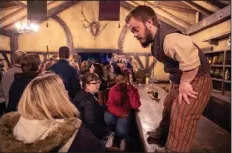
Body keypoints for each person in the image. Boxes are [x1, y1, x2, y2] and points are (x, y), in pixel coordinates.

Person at [125, 5, 212, 152]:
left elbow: (192, 61)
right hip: (182, 80)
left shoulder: (170, 38)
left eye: (135, 29)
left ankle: (174, 150)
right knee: (169, 106)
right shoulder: (156, 44)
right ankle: (163, 135)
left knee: (183, 113)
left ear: (149, 23)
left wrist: (184, 83)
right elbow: (175, 66)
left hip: (197, 78)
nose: (134, 34)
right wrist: (176, 84)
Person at [0, 72, 105, 152]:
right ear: (56, 99)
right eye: (63, 90)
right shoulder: (79, 138)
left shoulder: (11, 130)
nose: (67, 92)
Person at [73, 72, 114, 148]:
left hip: (83, 133)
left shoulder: (80, 94)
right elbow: (91, 124)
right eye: (94, 83)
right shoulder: (89, 100)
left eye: (99, 82)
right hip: (92, 137)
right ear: (87, 85)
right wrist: (106, 133)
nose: (98, 85)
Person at [104, 73, 141, 151]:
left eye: (123, 80)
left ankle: (123, 138)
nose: (121, 82)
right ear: (115, 82)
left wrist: (130, 91)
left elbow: (135, 106)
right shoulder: (113, 90)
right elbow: (110, 105)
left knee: (121, 131)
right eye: (118, 81)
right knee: (106, 118)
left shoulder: (133, 89)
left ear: (126, 79)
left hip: (126, 112)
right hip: (116, 112)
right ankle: (111, 133)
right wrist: (119, 114)